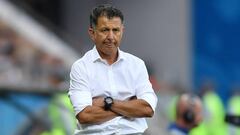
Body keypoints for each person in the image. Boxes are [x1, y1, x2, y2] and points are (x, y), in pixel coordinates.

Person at [68, 4, 158, 135]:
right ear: (92, 33)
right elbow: (84, 115)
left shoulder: (137, 65)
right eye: (105, 30)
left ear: (122, 31)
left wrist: (107, 103)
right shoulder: (81, 67)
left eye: (115, 30)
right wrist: (129, 106)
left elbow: (147, 109)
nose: (111, 37)